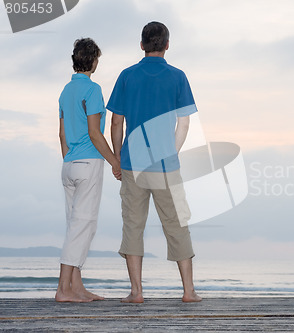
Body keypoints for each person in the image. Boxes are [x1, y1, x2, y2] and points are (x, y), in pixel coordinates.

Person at [107, 21, 201, 303]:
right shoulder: (178, 76)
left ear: (142, 45)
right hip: (165, 165)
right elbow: (183, 124)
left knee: (133, 226)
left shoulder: (127, 76)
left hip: (132, 164)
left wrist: (117, 157)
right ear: (167, 45)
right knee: (177, 225)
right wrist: (170, 152)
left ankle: (136, 293)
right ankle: (188, 291)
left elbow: (116, 121)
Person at [56, 38, 121, 302]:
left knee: (75, 226)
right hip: (88, 163)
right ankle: (63, 289)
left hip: (69, 164)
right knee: (83, 226)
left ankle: (77, 288)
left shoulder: (65, 91)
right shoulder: (92, 90)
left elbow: (62, 134)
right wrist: (114, 161)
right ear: (93, 61)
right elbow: (95, 133)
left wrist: (69, 161)